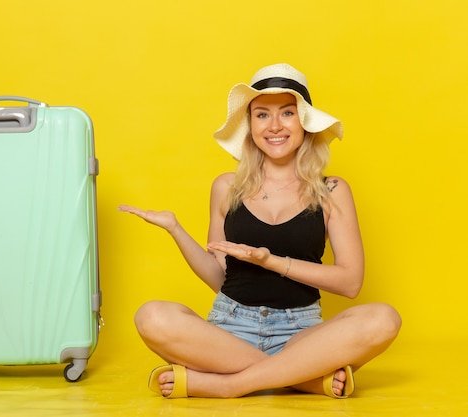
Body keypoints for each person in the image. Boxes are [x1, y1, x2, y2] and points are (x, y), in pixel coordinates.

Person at [119, 63, 401, 399]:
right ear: (250, 125)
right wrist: (176, 229)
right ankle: (302, 377)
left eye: (287, 113)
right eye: (262, 115)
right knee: (151, 316)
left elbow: (351, 283)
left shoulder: (332, 191)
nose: (275, 126)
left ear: (305, 122)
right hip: (229, 329)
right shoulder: (226, 187)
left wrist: (271, 262)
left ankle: (228, 384)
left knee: (384, 319)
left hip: (301, 333)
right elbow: (220, 277)